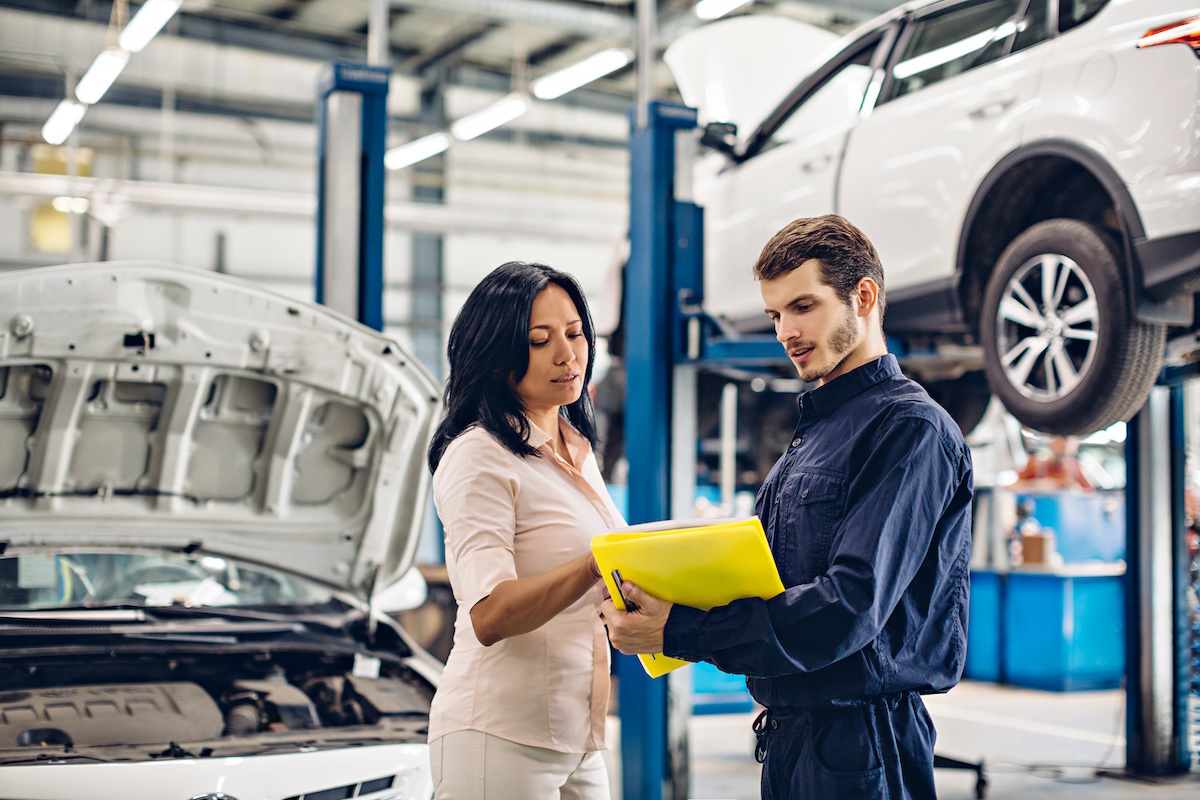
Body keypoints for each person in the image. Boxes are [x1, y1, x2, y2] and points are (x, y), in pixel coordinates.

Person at [602, 215, 974, 800]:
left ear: (865, 297)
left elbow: (850, 604)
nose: (784, 331)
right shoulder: (814, 435)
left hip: (863, 745)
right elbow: (777, 583)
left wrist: (684, 629)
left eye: (803, 307)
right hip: (794, 737)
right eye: (776, 314)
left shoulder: (909, 430)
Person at [426, 261, 623, 799]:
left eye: (576, 333)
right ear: (494, 357)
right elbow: (489, 614)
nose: (568, 354)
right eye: (540, 341)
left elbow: (598, 579)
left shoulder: (576, 449)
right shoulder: (478, 456)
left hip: (577, 736)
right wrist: (593, 566)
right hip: (499, 737)